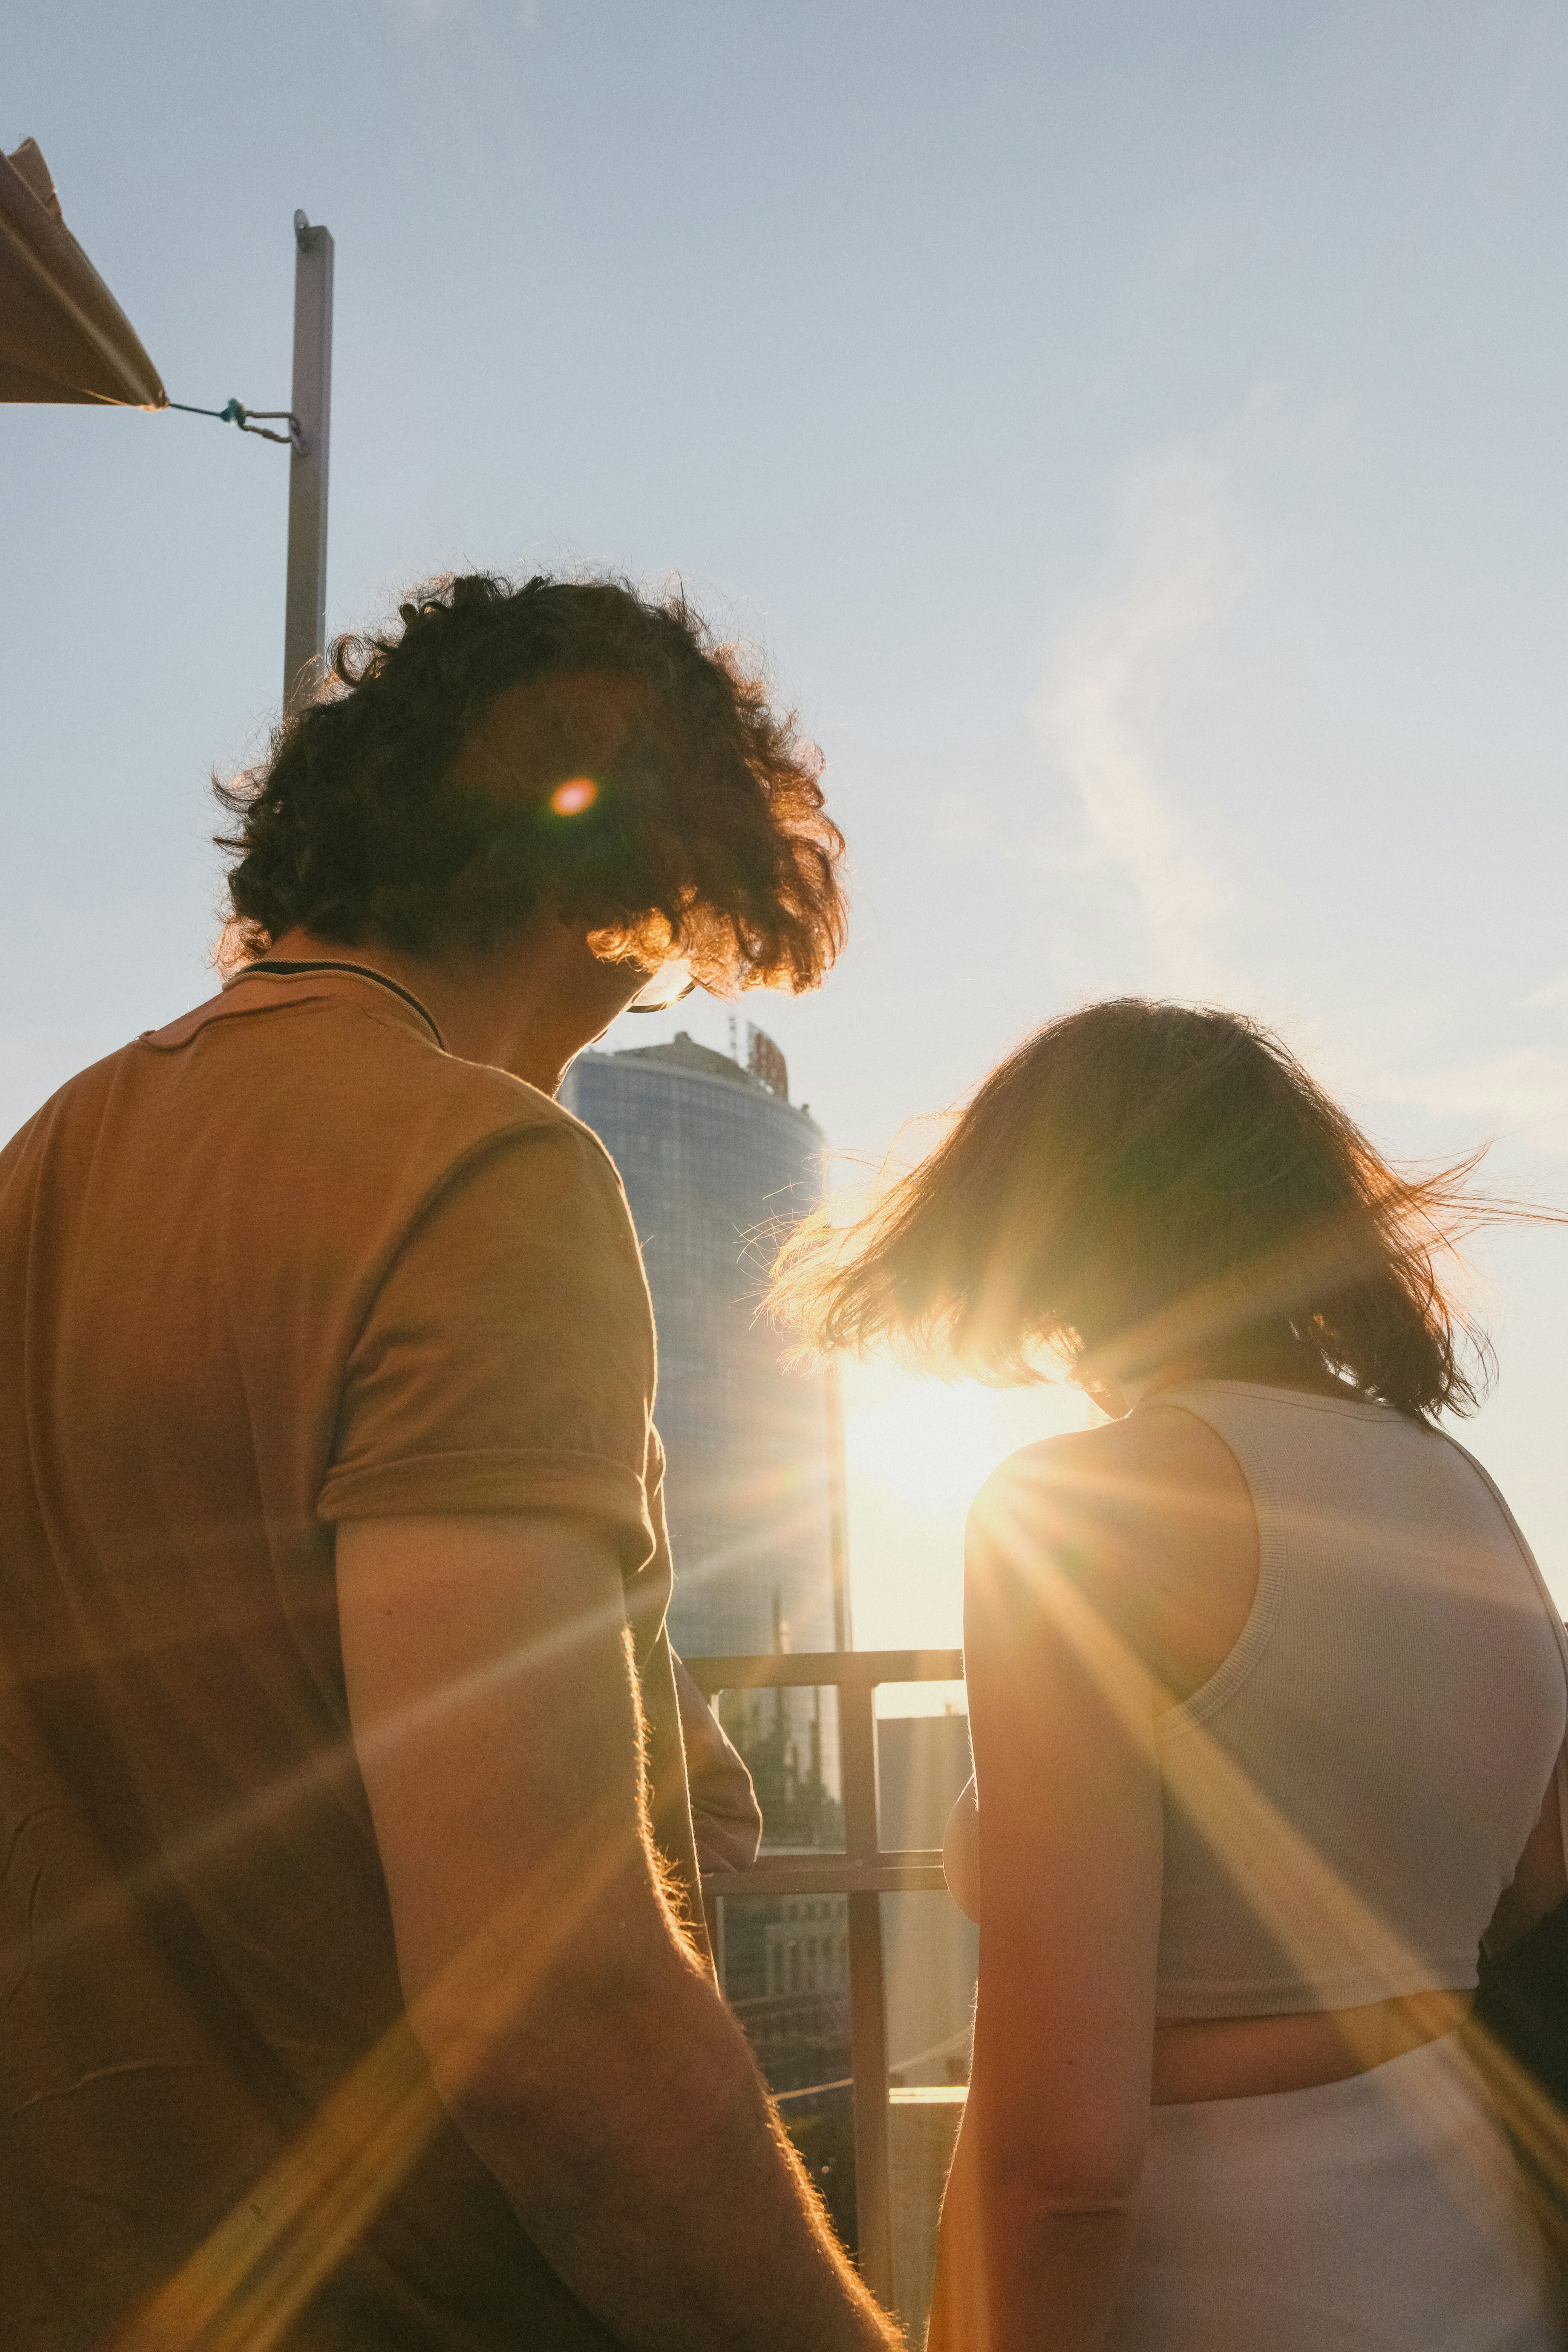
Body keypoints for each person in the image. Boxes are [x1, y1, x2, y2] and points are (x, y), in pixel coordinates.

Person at [0, 571, 902, 2351]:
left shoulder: (45, 1166)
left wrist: (639, 1694)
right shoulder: (484, 1168)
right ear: (626, 889)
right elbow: (551, 2012)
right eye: (675, 942)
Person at [772, 998, 1568, 2351]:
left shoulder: (1076, 1508)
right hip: (1474, 2249)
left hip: (1222, 2277)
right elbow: (1535, 1885)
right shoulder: (1466, 1494)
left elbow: (1065, 2160)